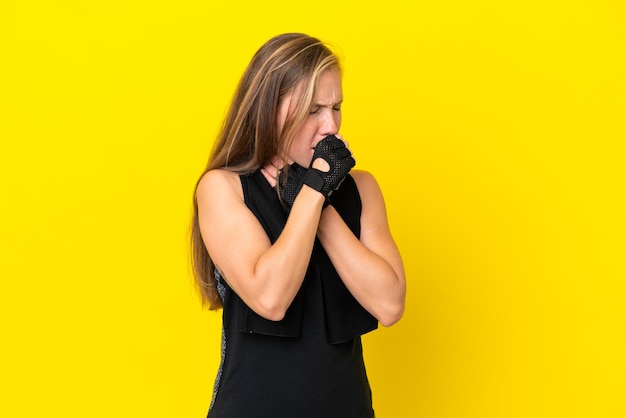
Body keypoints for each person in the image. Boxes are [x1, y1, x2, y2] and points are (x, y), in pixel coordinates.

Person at [191, 33, 406, 418]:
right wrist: (312, 193)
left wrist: (318, 201)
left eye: (337, 107)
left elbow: (389, 304)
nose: (330, 126)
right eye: (313, 110)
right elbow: (270, 299)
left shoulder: (362, 188)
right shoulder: (223, 188)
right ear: (269, 109)